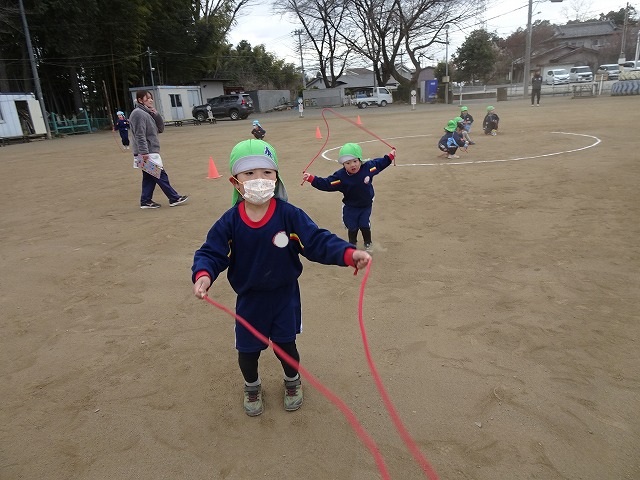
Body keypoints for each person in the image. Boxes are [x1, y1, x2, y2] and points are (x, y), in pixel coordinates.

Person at [192, 139, 372, 417]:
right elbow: (211, 252)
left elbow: (316, 241)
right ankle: (252, 386)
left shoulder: (289, 215)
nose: (259, 179)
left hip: (285, 297)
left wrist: (347, 254)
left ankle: (292, 380)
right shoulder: (229, 221)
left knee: (286, 346)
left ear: (276, 177)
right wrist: (204, 274)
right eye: (249, 173)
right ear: (236, 182)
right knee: (247, 351)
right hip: (249, 300)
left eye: (267, 172)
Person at [302, 142, 395, 252]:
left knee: (364, 224)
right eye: (348, 163)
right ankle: (352, 244)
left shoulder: (368, 168)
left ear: (360, 160)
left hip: (366, 204)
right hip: (351, 206)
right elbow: (327, 183)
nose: (352, 165)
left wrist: (390, 156)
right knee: (352, 226)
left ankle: (368, 243)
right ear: (343, 164)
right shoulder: (340, 177)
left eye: (355, 161)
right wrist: (312, 179)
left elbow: (380, 164)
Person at [129, 90, 189, 209]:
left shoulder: (147, 113)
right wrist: (144, 152)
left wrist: (156, 114)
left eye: (151, 98)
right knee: (160, 175)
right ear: (140, 100)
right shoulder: (138, 114)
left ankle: (145, 201)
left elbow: (160, 129)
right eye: (147, 98)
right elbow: (139, 134)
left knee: (149, 178)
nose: (151, 100)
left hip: (149, 151)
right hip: (145, 152)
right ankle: (174, 198)